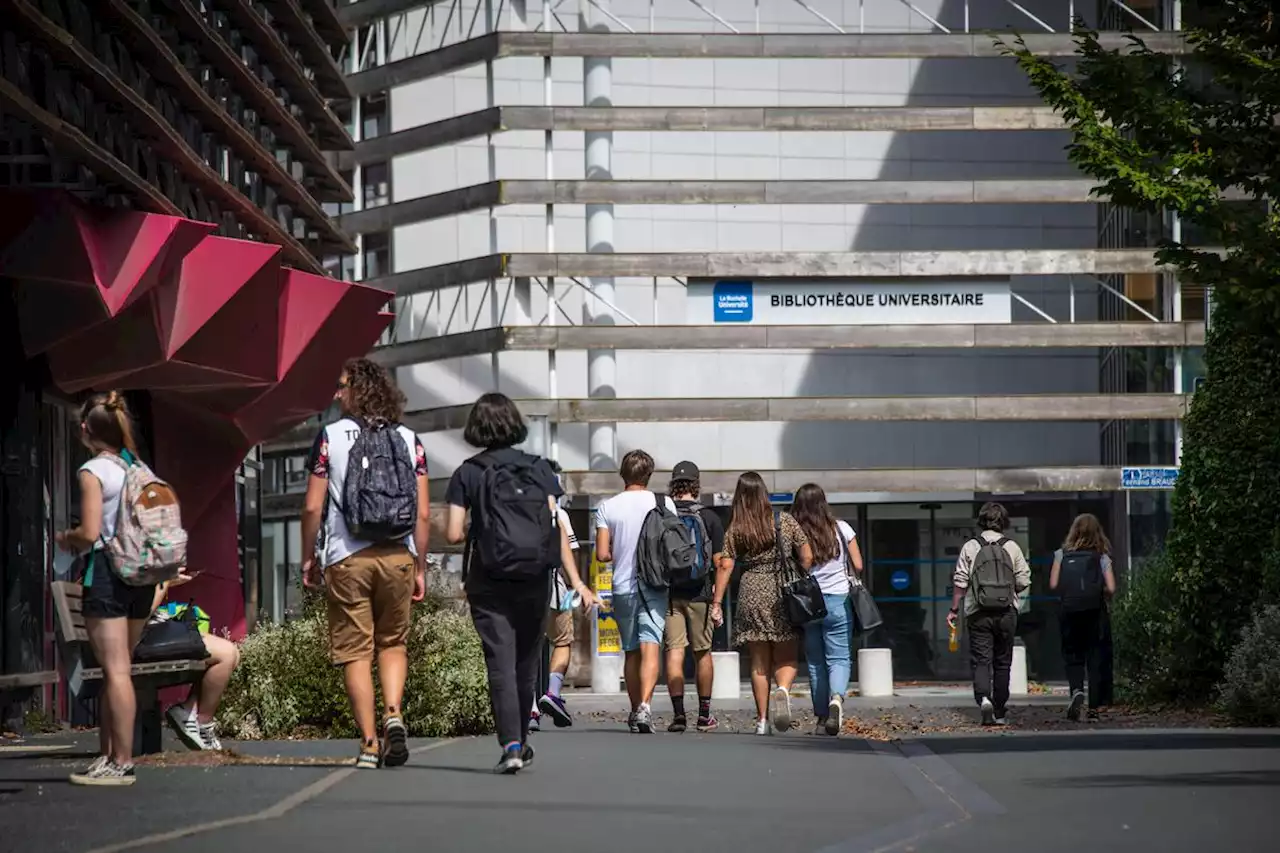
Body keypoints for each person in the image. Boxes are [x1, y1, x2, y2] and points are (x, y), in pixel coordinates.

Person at [445, 393, 596, 773]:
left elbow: (451, 533)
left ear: (476, 427)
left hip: (488, 577)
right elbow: (556, 527)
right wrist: (576, 580)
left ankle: (511, 745)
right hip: (535, 577)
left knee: (500, 661)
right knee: (527, 663)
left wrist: (482, 524)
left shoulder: (468, 472)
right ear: (515, 424)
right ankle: (523, 741)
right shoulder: (540, 469)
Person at [301, 358, 430, 769]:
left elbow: (311, 506)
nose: (337, 394)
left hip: (347, 556)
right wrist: (421, 566)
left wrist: (309, 556)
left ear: (358, 390)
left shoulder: (330, 437)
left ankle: (371, 744)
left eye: (342, 386)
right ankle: (394, 711)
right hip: (398, 555)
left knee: (356, 651)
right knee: (392, 642)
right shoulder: (410, 440)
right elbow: (423, 513)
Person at [56, 392, 152, 786]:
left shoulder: (92, 471)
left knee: (115, 671)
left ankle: (122, 763)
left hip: (109, 575)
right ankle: (109, 756)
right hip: (142, 578)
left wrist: (67, 537)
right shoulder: (137, 468)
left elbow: (91, 532)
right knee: (120, 670)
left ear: (84, 430)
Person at [711, 472, 814, 736]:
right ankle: (782, 690)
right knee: (787, 655)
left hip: (751, 591)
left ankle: (761, 720)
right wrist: (797, 572)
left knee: (758, 660)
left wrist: (717, 602)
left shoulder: (737, 527)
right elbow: (807, 555)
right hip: (782, 591)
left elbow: (725, 565)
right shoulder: (785, 520)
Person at [594, 449, 678, 734]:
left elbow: (602, 554)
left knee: (630, 651)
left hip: (622, 586)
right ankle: (645, 708)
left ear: (623, 474)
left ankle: (633, 710)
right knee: (651, 644)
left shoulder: (608, 507)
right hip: (654, 583)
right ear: (649, 474)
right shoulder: (664, 503)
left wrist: (621, 550)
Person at [946, 502, 1031, 726]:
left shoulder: (970, 547)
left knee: (981, 660)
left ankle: (984, 698)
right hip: (1006, 613)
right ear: (1003, 521)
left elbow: (960, 582)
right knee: (1003, 662)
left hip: (978, 612)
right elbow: (1023, 581)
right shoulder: (1012, 547)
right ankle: (1000, 711)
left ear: (981, 520)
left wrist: (954, 610)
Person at [791, 483, 863, 736]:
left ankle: (822, 718)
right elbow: (858, 564)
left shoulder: (796, 531)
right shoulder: (842, 529)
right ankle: (837, 699)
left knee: (815, 663)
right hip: (839, 600)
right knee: (839, 657)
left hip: (809, 602)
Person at [662, 461, 725, 734]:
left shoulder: (662, 515)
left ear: (673, 485)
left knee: (674, 651)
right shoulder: (709, 518)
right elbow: (721, 562)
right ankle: (704, 715)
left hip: (670, 593)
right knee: (703, 652)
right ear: (696, 485)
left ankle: (678, 715)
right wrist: (718, 601)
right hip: (700, 593)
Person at [155, 576, 241, 751]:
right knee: (227, 654)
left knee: (231, 653)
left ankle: (190, 711)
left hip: (154, 630)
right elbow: (143, 609)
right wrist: (165, 582)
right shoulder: (127, 565)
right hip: (144, 637)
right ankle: (202, 721)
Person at [1049, 513, 1117, 721]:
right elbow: (1112, 588)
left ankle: (1076, 691)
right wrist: (1097, 590)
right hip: (1095, 612)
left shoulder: (1061, 554)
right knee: (1095, 658)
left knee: (1073, 657)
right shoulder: (1102, 557)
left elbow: (1053, 585)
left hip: (1069, 612)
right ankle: (1094, 707)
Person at [531, 461, 581, 732]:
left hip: (522, 588)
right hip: (554, 587)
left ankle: (530, 710)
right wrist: (576, 586)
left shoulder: (519, 512)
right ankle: (552, 693)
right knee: (563, 640)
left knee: (527, 649)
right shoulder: (559, 515)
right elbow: (568, 554)